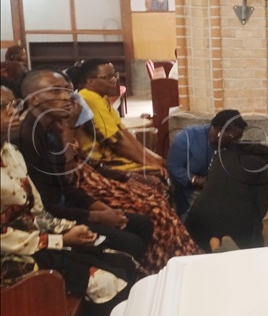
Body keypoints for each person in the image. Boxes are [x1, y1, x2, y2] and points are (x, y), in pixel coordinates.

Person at [0, 85, 138, 316]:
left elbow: (36, 209)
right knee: (109, 281)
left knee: (123, 261)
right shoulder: (27, 140)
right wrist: (59, 239)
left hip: (36, 240)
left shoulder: (9, 151)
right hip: (11, 258)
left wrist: (72, 229)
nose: (14, 111)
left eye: (14, 103)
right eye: (4, 108)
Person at [17, 68, 153, 262]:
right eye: (55, 91)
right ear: (33, 99)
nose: (66, 97)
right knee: (130, 242)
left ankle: (142, 273)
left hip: (70, 204)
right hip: (50, 221)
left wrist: (102, 209)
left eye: (67, 90)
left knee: (142, 223)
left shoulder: (51, 128)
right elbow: (46, 205)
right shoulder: (27, 139)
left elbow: (66, 184)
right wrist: (96, 216)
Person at [58, 94, 203, 275]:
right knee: (153, 203)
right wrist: (99, 211)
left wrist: (150, 162)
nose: (67, 98)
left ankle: (182, 255)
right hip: (87, 187)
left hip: (96, 175)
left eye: (68, 91)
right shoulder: (53, 128)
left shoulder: (91, 104)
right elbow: (114, 145)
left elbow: (120, 137)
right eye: (108, 76)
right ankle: (160, 265)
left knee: (156, 194)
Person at [74, 58, 168, 180]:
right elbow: (117, 142)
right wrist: (150, 163)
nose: (114, 80)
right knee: (156, 176)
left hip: (113, 156)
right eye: (108, 77)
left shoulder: (101, 98)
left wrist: (154, 159)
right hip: (100, 162)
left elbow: (123, 133)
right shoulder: (89, 98)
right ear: (90, 81)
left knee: (164, 165)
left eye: (114, 75)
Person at [184, 141, 268, 251]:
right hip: (237, 223)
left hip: (198, 219)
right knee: (253, 249)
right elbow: (262, 203)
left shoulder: (220, 156)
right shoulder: (260, 165)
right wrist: (255, 231)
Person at [166, 110, 248, 218]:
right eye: (234, 138)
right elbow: (173, 166)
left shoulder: (230, 145)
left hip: (219, 190)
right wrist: (196, 180)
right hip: (191, 191)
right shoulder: (187, 138)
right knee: (205, 218)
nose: (236, 142)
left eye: (238, 138)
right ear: (219, 130)